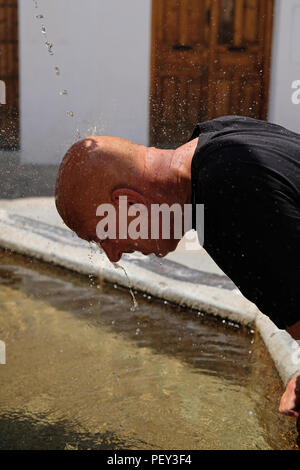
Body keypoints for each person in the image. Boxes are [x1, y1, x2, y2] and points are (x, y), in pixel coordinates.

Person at [55, 115, 300, 418]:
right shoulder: (219, 137)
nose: (114, 255)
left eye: (104, 235)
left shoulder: (221, 202)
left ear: (128, 205)